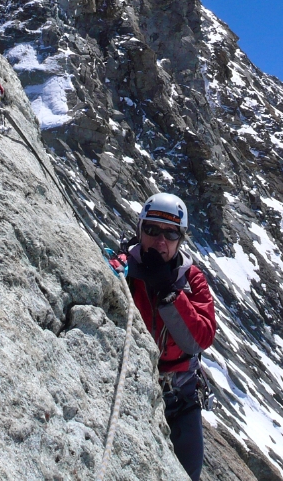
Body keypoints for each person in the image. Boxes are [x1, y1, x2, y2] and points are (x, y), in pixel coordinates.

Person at [110, 193, 217, 480]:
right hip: (133, 385)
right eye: (152, 230)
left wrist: (170, 292)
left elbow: (199, 338)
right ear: (140, 229)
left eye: (170, 233)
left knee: (187, 472)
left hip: (180, 396)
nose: (160, 241)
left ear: (180, 239)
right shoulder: (123, 269)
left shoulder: (191, 280)